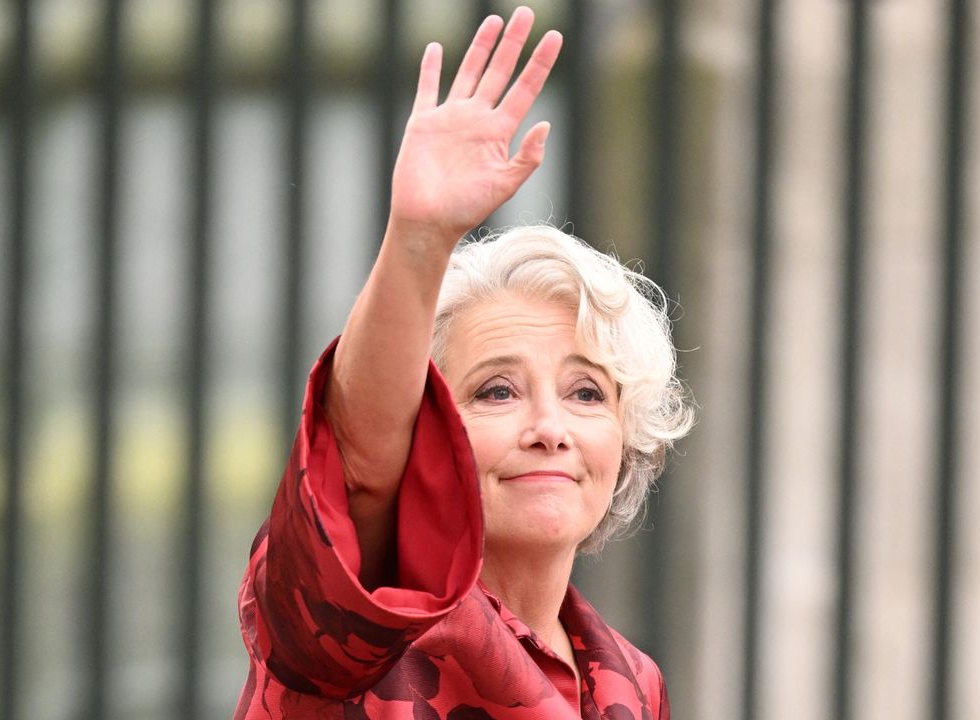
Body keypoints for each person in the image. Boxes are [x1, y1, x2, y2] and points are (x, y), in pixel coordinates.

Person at [233, 7, 694, 719]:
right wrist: (419, 238)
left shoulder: (634, 682)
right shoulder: (368, 623)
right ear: (430, 441)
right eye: (498, 391)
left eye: (587, 394)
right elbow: (356, 457)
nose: (550, 427)